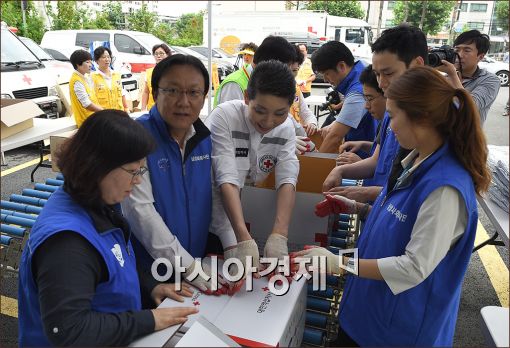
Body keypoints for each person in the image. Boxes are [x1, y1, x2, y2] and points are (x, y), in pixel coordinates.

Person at [294, 66, 491, 346]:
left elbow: (413, 267)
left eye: (394, 116)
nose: (390, 126)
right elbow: (404, 224)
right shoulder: (417, 161)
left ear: (421, 118)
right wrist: (356, 208)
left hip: (395, 332)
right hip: (366, 314)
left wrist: (338, 263)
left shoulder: (445, 188)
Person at [18, 111, 198, 346]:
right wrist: (148, 319)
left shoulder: (94, 200)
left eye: (141, 171)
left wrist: (149, 286)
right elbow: (69, 330)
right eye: (133, 171)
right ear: (98, 166)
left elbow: (115, 259)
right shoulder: (67, 245)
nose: (138, 181)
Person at [121, 54, 222, 293]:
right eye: (173, 91)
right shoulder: (137, 138)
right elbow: (139, 211)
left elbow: (215, 197)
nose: (184, 101)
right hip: (150, 274)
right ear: (156, 93)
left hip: (194, 266)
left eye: (194, 92)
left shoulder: (205, 139)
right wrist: (188, 267)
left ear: (204, 97)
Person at [207, 61, 299, 273]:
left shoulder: (286, 128)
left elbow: (287, 178)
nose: (268, 121)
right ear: (247, 97)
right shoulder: (224, 117)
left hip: (243, 213)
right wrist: (238, 240)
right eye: (260, 110)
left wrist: (279, 235)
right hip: (212, 214)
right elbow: (226, 178)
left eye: (279, 113)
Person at [323, 24, 428, 204]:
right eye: (377, 74)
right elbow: (377, 161)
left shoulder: (434, 121)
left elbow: (416, 193)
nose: (381, 83)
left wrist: (366, 194)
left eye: (388, 73)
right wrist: (340, 171)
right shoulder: (390, 109)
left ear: (417, 65)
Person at [311, 41, 377, 154]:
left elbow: (335, 137)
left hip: (362, 159)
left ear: (341, 66)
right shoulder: (361, 69)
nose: (325, 80)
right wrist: (335, 123)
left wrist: (315, 164)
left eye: (326, 73)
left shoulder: (357, 92)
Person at [214, 36, 296, 107]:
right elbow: (232, 122)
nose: (285, 74)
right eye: (284, 68)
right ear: (271, 63)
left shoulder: (265, 81)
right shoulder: (234, 84)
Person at [438, 30, 500, 124]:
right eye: (457, 50)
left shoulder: (490, 80)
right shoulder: (443, 78)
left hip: (467, 138)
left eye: (467, 50)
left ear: (480, 57)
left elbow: (470, 107)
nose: (460, 55)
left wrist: (452, 75)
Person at [335, 65, 386, 168]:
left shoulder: (398, 125)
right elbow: (385, 149)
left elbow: (388, 172)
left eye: (370, 99)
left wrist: (359, 163)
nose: (366, 106)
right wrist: (364, 145)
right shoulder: (386, 121)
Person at [289, 45, 318, 154]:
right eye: (290, 70)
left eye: (295, 70)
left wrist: (312, 123)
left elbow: (305, 112)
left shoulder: (296, 89)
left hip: (297, 143)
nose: (292, 75)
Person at [69, 49, 102, 127]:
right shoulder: (76, 81)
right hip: (86, 123)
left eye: (91, 62)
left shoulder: (84, 78)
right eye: (87, 62)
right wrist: (104, 111)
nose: (90, 65)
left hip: (93, 120)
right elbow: (87, 104)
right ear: (78, 64)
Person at [91, 46, 128, 111]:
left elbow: (122, 93)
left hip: (119, 113)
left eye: (108, 57)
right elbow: (91, 99)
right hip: (103, 115)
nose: (107, 59)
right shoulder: (92, 77)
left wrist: (126, 108)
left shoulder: (116, 75)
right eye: (103, 57)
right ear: (97, 60)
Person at [141, 43, 171, 111]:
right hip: (152, 110)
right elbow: (146, 92)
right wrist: (143, 109)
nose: (158, 56)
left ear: (167, 55)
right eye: (156, 54)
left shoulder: (173, 72)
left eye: (161, 53)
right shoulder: (149, 72)